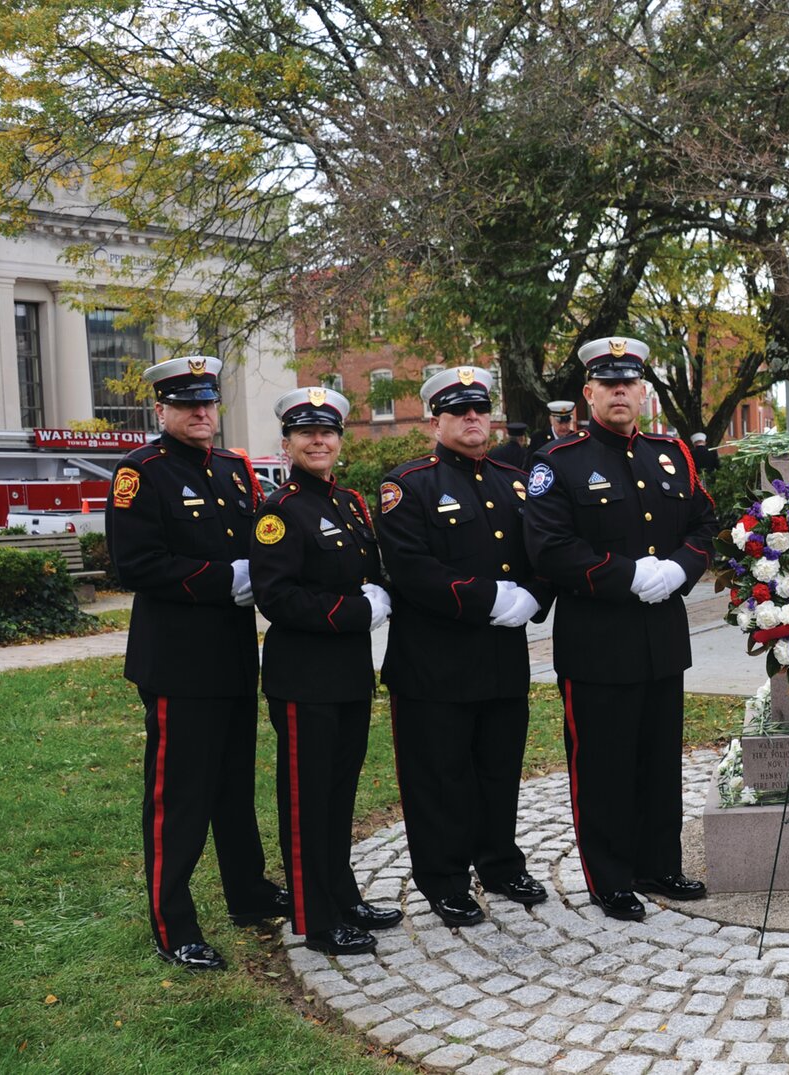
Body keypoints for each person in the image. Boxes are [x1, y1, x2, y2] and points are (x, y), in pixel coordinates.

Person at [523, 336, 718, 921]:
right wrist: (630, 575)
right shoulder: (557, 463)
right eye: (607, 384)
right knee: (603, 765)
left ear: (642, 392)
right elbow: (551, 548)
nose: (619, 393)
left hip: (662, 640)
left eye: (628, 383)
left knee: (659, 761)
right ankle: (608, 877)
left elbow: (705, 524)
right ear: (588, 393)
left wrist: (681, 569)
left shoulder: (671, 453)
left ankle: (659, 863)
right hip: (597, 644)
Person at [105, 355, 288, 970]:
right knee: (179, 797)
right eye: (187, 404)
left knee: (234, 786)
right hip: (178, 664)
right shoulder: (140, 474)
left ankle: (248, 893)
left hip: (234, 657)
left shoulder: (234, 470)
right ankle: (173, 922)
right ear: (162, 410)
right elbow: (137, 565)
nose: (201, 413)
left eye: (207, 402)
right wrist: (222, 579)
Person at [377, 366, 552, 928]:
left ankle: (500, 864)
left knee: (498, 770)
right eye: (458, 411)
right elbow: (410, 570)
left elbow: (545, 552)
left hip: (502, 660)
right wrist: (487, 598)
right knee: (440, 777)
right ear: (437, 419)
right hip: (434, 664)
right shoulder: (408, 485)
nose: (472, 419)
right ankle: (444, 880)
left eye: (479, 409)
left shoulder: (514, 479)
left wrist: (534, 597)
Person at [249, 387, 402, 956]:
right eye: (306, 432)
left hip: (348, 675)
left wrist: (380, 591)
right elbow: (277, 597)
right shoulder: (278, 511)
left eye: (328, 432)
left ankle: (342, 894)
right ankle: (315, 919)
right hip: (303, 680)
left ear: (339, 440)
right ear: (287, 443)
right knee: (307, 800)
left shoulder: (350, 503)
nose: (319, 440)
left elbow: (370, 568)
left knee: (339, 795)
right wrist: (359, 609)